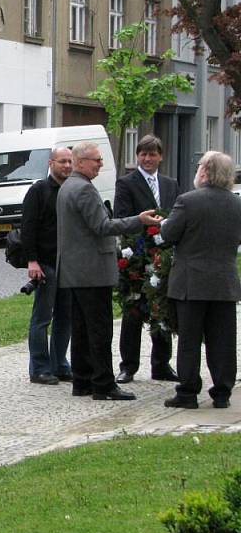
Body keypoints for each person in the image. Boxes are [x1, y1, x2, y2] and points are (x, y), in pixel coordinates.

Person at [56, 142, 161, 401]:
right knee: (99, 329)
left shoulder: (68, 186)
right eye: (97, 160)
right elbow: (102, 226)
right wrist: (139, 220)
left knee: (81, 328)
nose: (100, 164)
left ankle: (83, 381)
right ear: (80, 162)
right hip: (92, 270)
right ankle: (103, 384)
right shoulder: (83, 189)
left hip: (76, 270)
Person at [161, 151, 241, 409]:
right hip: (224, 281)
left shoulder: (187, 201)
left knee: (189, 340)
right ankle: (222, 392)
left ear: (205, 171)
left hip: (190, 282)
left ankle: (188, 392)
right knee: (223, 340)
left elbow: (170, 233)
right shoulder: (237, 203)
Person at [114, 135, 180, 384]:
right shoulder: (127, 183)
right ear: (137, 156)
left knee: (161, 310)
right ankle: (128, 365)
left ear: (160, 156)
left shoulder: (170, 184)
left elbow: (177, 215)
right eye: (143, 154)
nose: (148, 159)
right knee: (133, 310)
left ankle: (161, 364)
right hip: (137, 256)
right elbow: (121, 217)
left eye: (152, 154)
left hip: (163, 255)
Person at [21, 147, 73, 385]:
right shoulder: (38, 190)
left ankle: (59, 363)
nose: (67, 166)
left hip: (68, 265)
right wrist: (32, 261)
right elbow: (28, 228)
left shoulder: (72, 190)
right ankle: (39, 367)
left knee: (65, 317)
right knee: (42, 318)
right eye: (62, 161)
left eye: (70, 162)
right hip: (45, 264)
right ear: (51, 163)